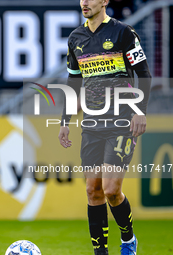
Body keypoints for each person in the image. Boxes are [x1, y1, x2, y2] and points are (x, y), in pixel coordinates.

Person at [58, 0, 152, 254]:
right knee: (93, 190)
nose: (84, 2)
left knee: (111, 190)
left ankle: (128, 238)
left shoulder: (123, 33)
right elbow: (74, 84)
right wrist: (65, 120)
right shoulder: (76, 38)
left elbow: (144, 75)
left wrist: (140, 112)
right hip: (92, 124)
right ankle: (101, 252)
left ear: (105, 1)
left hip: (121, 122)